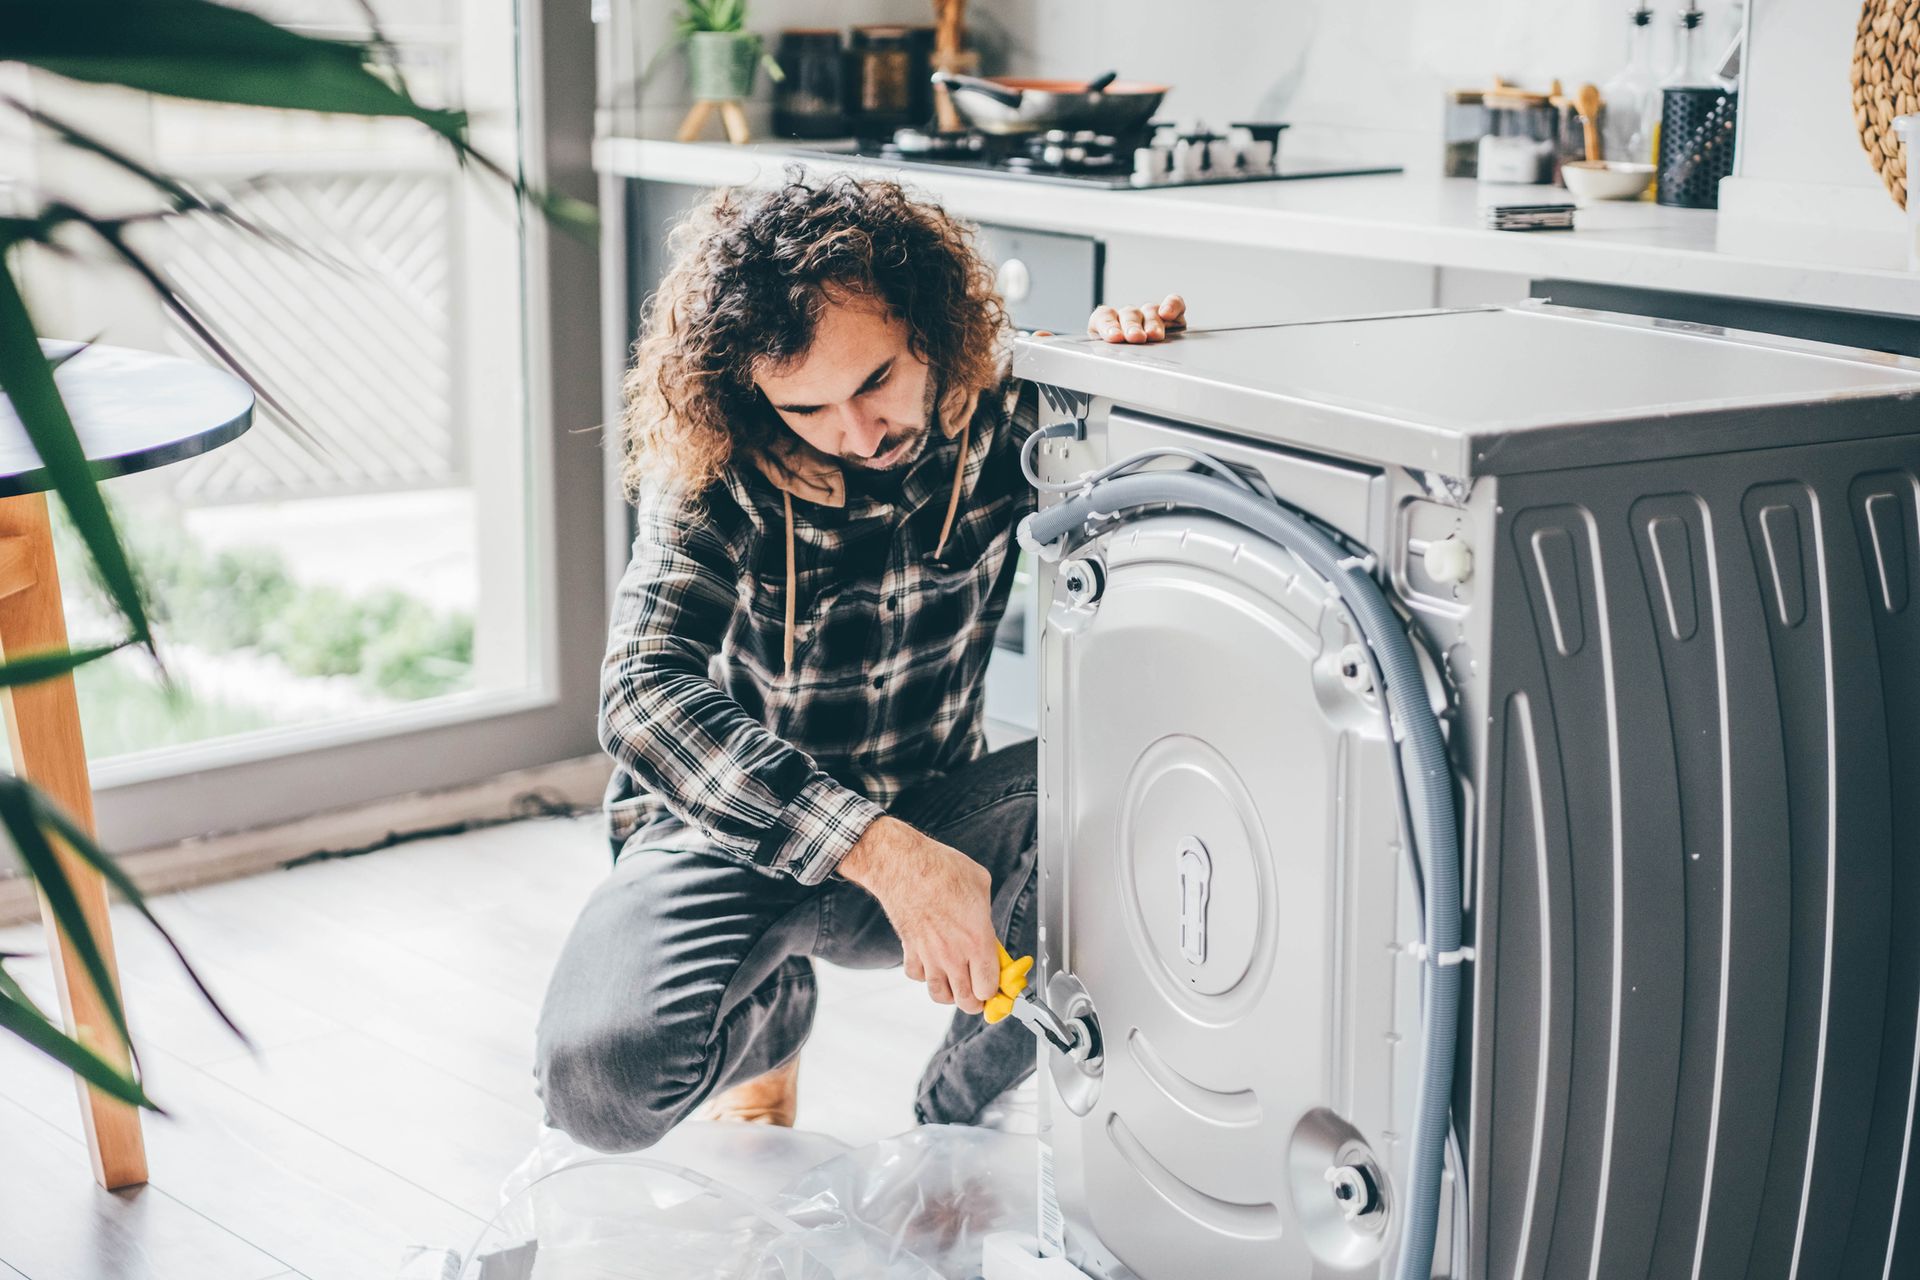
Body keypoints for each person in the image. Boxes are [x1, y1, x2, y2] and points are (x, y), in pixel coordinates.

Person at [534, 169, 1186, 1151]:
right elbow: (639, 691)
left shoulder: (1008, 412)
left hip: (940, 815)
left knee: (1118, 779)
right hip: (738, 838)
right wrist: (877, 849)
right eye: (807, 408)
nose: (856, 433)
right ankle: (772, 1011)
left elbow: (1148, 476)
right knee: (600, 1083)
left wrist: (1132, 370)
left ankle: (952, 1132)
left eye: (876, 380)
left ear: (932, 326)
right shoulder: (720, 466)